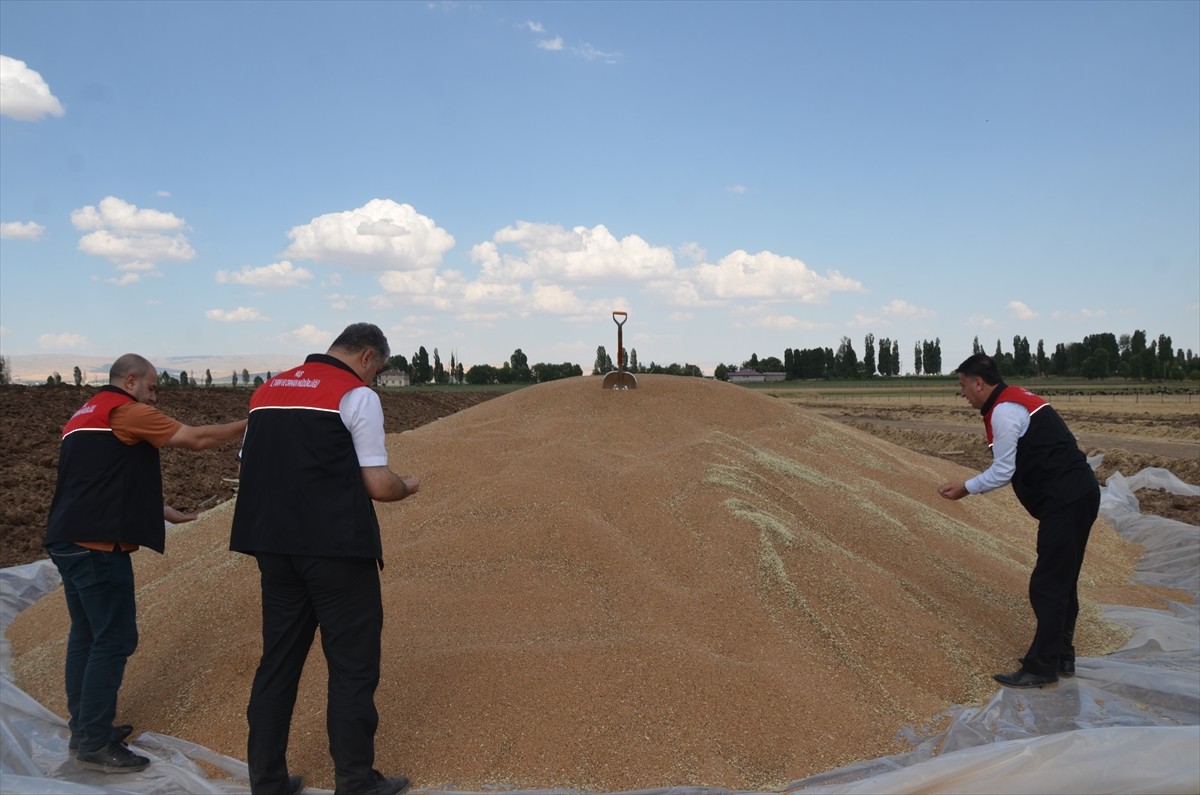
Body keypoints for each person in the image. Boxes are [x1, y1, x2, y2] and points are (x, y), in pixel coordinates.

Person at [231, 323, 419, 795]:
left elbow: (250, 464)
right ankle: (355, 781)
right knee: (352, 667)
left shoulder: (267, 391)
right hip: (337, 551)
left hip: (273, 549)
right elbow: (378, 484)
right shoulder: (355, 395)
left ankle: (267, 781)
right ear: (368, 357)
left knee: (277, 663)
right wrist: (406, 487)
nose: (373, 380)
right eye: (375, 371)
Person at [45, 353, 248, 772]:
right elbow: (197, 439)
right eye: (152, 388)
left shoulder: (84, 415)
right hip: (98, 546)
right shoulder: (125, 411)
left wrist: (156, 508)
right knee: (114, 639)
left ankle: (85, 727)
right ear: (131, 381)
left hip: (66, 537)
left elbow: (96, 477)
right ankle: (95, 741)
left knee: (86, 634)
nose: (154, 398)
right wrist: (254, 422)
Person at [938, 353, 1101, 689]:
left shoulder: (1004, 411)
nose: (962, 393)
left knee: (1047, 584)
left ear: (979, 383)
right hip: (1077, 493)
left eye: (963, 385)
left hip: (1067, 499)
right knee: (1062, 579)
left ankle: (1042, 667)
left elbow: (1003, 470)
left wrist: (966, 487)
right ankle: (1062, 655)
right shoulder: (1015, 399)